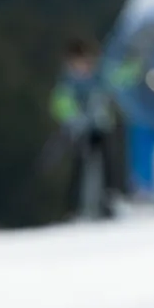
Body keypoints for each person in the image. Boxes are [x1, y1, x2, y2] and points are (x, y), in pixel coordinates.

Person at [48, 36, 119, 219]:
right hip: (81, 131)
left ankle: (108, 200)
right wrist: (73, 118)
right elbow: (61, 102)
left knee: (107, 162)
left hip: (101, 128)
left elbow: (120, 76)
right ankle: (73, 207)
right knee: (79, 166)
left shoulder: (101, 74)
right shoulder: (68, 82)